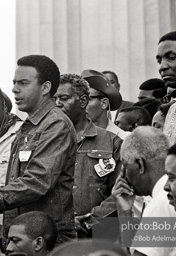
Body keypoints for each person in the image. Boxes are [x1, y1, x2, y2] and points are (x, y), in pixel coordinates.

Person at [0, 55, 77, 246]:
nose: (14, 89)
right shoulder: (28, 127)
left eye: (23, 83)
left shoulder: (56, 124)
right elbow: (14, 183)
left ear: (45, 88)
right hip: (22, 237)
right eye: (14, 83)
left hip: (47, 241)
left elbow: (38, 180)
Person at [54, 74, 122, 237]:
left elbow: (122, 191)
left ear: (83, 101)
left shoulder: (112, 142)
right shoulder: (45, 143)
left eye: (63, 98)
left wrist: (88, 222)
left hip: (100, 236)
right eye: (54, 99)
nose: (57, 104)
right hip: (55, 237)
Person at [112, 126, 176, 256]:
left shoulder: (162, 202)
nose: (124, 176)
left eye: (125, 167)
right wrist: (125, 214)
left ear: (140, 165)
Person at [82, 69, 129, 139]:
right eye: (80, 100)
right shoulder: (74, 139)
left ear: (104, 103)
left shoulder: (124, 138)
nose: (81, 105)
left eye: (87, 99)